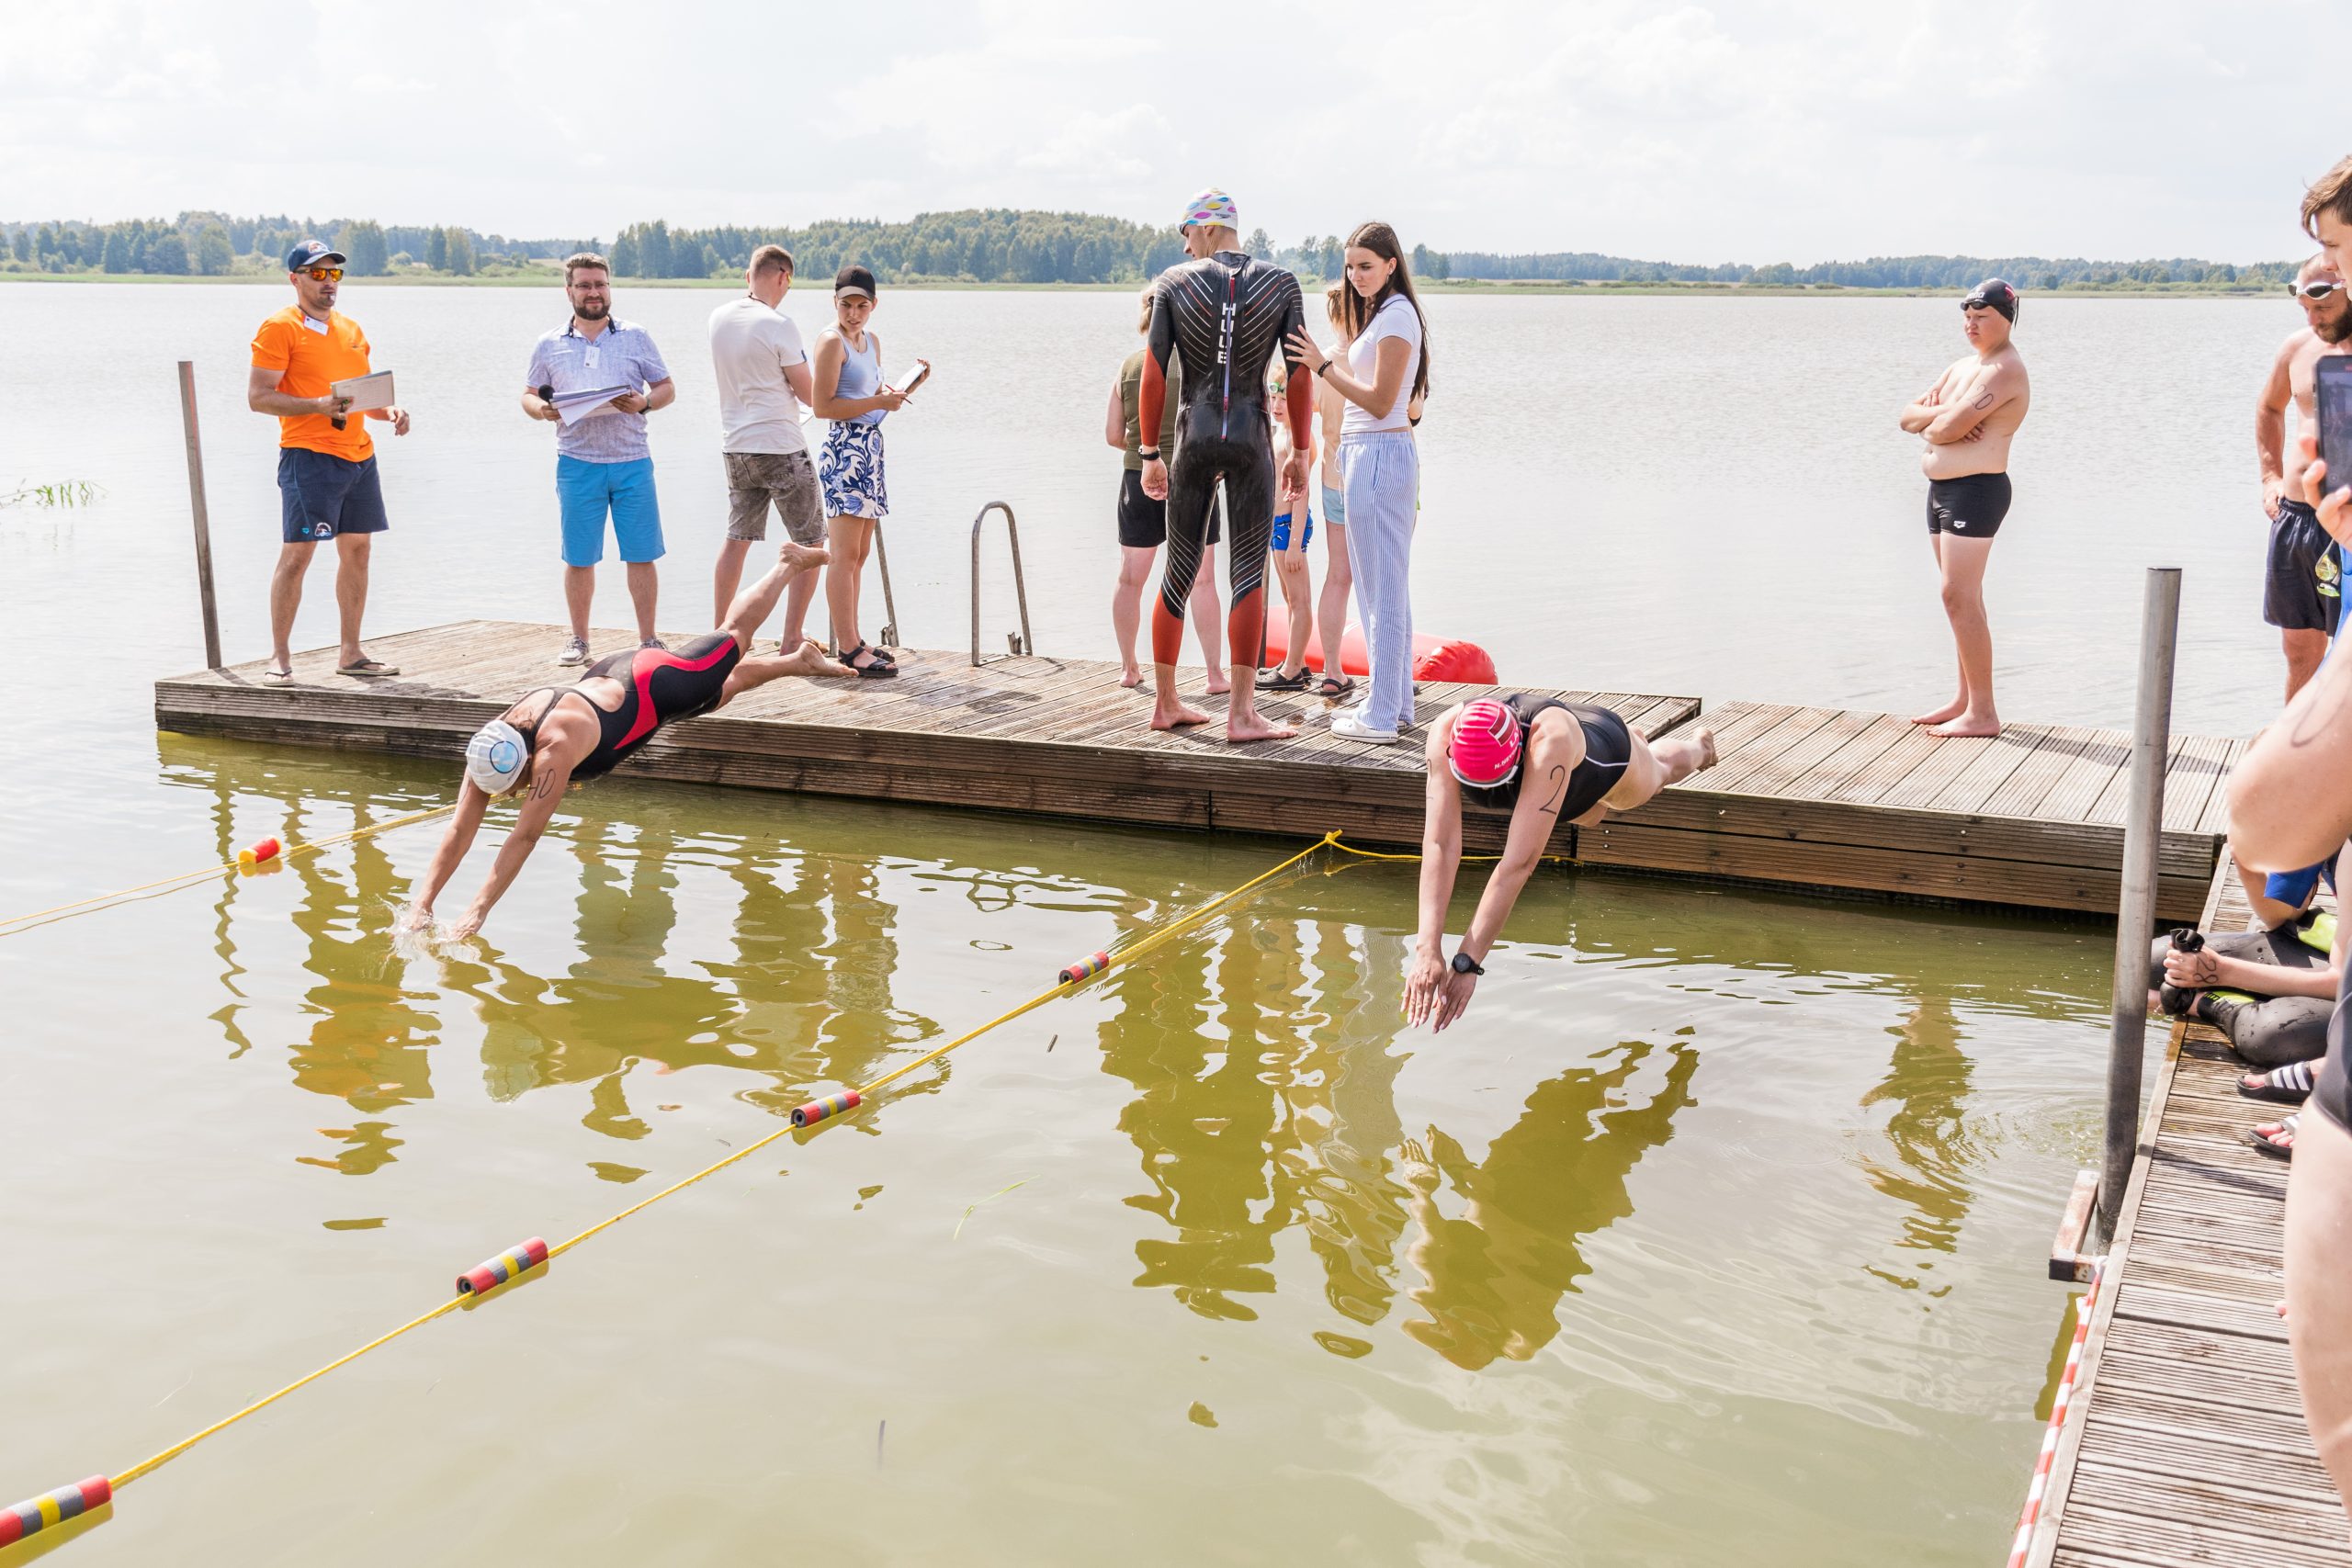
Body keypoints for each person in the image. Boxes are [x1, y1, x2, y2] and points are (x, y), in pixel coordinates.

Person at [410, 543, 850, 937]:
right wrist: (422, 905)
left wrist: (477, 911)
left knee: (734, 635)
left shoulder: (554, 751)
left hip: (654, 680)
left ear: (526, 763)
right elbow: (460, 828)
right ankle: (799, 661)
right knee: (714, 694)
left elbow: (523, 838)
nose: (509, 796)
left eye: (512, 789)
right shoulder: (492, 744)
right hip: (611, 677)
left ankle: (786, 563)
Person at [2231, 150, 2352, 1540]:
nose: (2324, 288)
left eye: (2339, 261)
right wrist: (2285, 479)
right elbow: (2273, 412)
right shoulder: (2301, 362)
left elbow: (2264, 824)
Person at [1405, 697, 1717, 1031]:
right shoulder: (1446, 731)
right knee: (1591, 817)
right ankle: (1627, 757)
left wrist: (1467, 962)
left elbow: (1517, 865)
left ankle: (1699, 749)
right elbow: (1440, 843)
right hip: (1554, 779)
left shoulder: (1550, 743)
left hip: (1598, 763)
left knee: (1656, 774)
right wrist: (1427, 948)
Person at [1136, 188, 1314, 742]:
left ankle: (1166, 703)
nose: (1185, 245)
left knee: (1178, 571)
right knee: (1248, 575)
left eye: (1187, 232)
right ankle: (1241, 714)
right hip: (1250, 436)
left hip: (1194, 435)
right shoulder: (1281, 283)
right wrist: (1300, 451)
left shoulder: (1173, 284)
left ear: (1210, 227)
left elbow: (1155, 371)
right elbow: (1299, 373)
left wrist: (1149, 453)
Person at [1285, 222, 1430, 743]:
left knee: (1379, 590)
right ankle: (1396, 703)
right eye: (1350, 266)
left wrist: (1322, 366)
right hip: (1370, 454)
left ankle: (1381, 715)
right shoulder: (1382, 314)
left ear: (1391, 265)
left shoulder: (1397, 316)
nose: (1356, 275)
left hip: (1379, 454)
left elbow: (1380, 400)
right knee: (1382, 587)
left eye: (1366, 265)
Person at [247, 239, 412, 682]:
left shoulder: (351, 329)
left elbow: (361, 398)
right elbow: (259, 397)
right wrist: (317, 406)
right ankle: (280, 657)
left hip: (359, 457)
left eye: (334, 273)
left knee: (358, 550)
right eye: (317, 273)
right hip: (309, 457)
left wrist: (389, 411)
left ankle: (351, 653)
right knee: (297, 556)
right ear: (295, 279)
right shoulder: (279, 327)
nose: (328, 282)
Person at [521, 253, 676, 667]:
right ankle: (579, 641)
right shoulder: (549, 343)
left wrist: (645, 402)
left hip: (632, 461)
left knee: (641, 553)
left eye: (600, 284)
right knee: (579, 557)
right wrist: (542, 410)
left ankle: (649, 640)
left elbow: (666, 387)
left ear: (609, 288)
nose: (594, 292)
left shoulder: (636, 336)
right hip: (577, 463)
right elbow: (529, 394)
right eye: (585, 285)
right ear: (569, 291)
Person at [1896, 278, 2031, 739]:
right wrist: (1947, 414)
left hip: (1976, 490)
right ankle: (1964, 700)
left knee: (1958, 596)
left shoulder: (2005, 370)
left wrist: (1940, 419)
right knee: (1962, 599)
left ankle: (1984, 713)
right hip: (1941, 491)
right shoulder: (1961, 368)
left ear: (2006, 320)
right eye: (1968, 318)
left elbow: (1944, 431)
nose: (1971, 325)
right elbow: (1906, 417)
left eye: (1982, 318)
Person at [1106, 287, 1227, 690]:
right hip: (1194, 479)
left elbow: (1112, 435)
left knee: (1130, 579)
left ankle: (1129, 668)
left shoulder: (1129, 367)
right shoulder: (1200, 365)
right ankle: (1214, 674)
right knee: (1203, 581)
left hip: (1138, 478)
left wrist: (1146, 448)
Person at [710, 243, 825, 646]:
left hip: (736, 445)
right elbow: (810, 395)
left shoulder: (718, 318)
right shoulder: (780, 325)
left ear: (748, 276)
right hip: (780, 446)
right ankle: (792, 638)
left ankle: (719, 635)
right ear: (783, 277)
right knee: (811, 542)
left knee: (737, 538)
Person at [2258, 254, 2351, 699]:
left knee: (2347, 654)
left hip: (2347, 521)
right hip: (2295, 518)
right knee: (2298, 651)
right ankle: (2296, 740)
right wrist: (2269, 477)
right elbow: (2269, 407)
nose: (2313, 320)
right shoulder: (2297, 348)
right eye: (2305, 310)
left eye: (2323, 308)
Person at [812, 264, 910, 677]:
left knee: (861, 554)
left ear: (873, 305)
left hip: (870, 447)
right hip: (844, 449)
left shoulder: (871, 342)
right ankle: (849, 648)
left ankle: (853, 638)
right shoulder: (830, 342)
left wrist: (900, 392)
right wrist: (877, 403)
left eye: (861, 306)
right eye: (846, 305)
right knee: (843, 555)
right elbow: (823, 407)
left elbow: (871, 397)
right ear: (834, 302)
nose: (853, 314)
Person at [1311, 282, 1357, 703]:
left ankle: (1332, 670)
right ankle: (1390, 673)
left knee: (1337, 575)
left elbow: (1306, 411)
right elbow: (1412, 411)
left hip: (1331, 479)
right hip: (1368, 478)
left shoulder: (1320, 362)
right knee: (1380, 577)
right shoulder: (1369, 356)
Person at [1260, 363, 1317, 691]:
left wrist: (1295, 543)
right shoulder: (1278, 431)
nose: (1277, 404)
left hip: (1290, 526)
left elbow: (1301, 493)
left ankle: (1292, 670)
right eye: (1273, 397)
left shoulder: (1297, 435)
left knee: (1299, 599)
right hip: (1276, 526)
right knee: (1288, 595)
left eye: (1284, 398)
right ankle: (1299, 661)